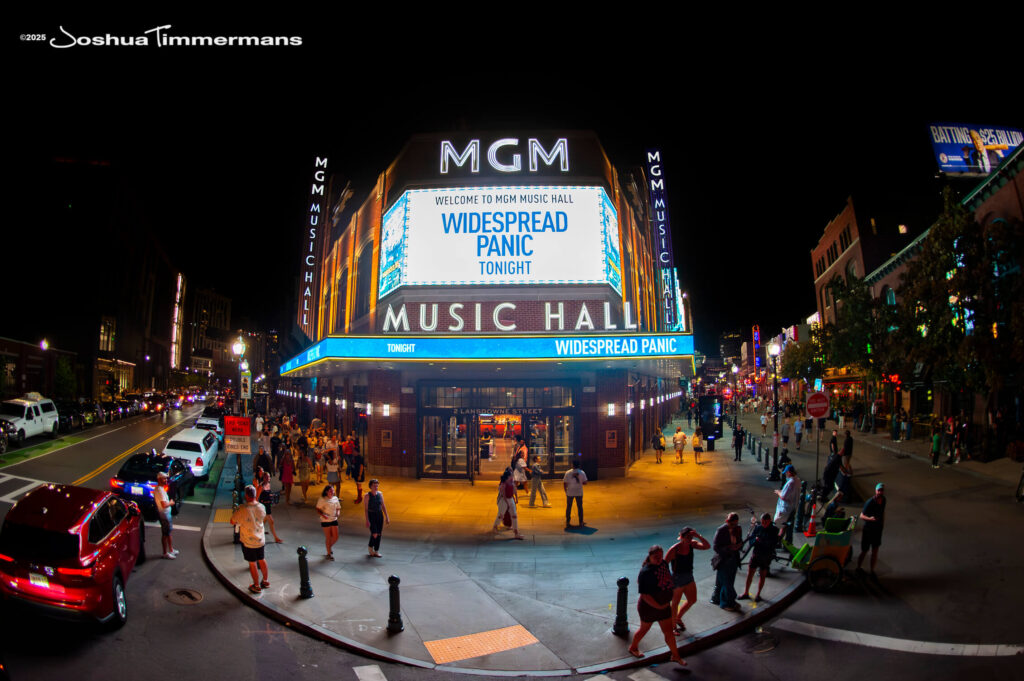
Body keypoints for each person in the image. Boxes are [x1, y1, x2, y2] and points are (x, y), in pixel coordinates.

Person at [627, 545, 686, 666]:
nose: (659, 559)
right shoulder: (646, 572)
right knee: (644, 629)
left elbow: (668, 578)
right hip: (649, 608)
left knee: (669, 632)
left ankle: (676, 655)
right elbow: (645, 596)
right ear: (650, 557)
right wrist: (659, 606)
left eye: (660, 556)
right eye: (655, 557)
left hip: (663, 606)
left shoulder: (663, 564)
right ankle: (633, 647)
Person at [665, 527, 710, 633]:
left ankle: (678, 618)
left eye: (691, 537)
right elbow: (664, 564)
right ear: (682, 537)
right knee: (675, 603)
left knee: (692, 600)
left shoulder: (692, 544)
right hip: (678, 578)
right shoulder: (674, 549)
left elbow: (707, 546)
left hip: (689, 576)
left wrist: (698, 536)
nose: (689, 539)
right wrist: (668, 579)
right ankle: (673, 627)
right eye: (687, 537)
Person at [230, 485, 269, 594]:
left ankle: (256, 586)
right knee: (262, 559)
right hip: (260, 539)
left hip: (248, 541)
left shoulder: (242, 508)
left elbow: (232, 521)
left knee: (252, 563)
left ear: (246, 495)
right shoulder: (262, 507)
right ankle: (265, 581)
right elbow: (263, 517)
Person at [739, 514, 778, 602]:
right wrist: (755, 541)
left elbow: (772, 544)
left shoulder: (774, 530)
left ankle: (758, 594)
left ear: (769, 521)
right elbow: (751, 540)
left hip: (766, 556)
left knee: (762, 575)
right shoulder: (758, 528)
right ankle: (746, 592)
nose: (764, 524)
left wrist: (760, 541)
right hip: (756, 554)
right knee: (750, 574)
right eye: (762, 522)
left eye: (766, 522)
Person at [710, 513, 743, 612]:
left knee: (726, 581)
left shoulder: (738, 529)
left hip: (733, 558)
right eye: (732, 524)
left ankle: (719, 599)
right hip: (724, 559)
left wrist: (738, 546)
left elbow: (740, 540)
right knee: (727, 582)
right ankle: (726, 602)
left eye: (735, 524)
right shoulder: (721, 530)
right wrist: (728, 548)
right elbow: (716, 547)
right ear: (727, 521)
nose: (734, 526)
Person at [857, 483, 886, 577]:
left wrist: (882, 524)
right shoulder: (870, 502)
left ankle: (872, 570)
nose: (880, 492)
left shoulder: (884, 500)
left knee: (875, 551)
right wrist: (870, 519)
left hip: (877, 530)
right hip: (868, 530)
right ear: (875, 491)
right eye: (879, 490)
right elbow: (861, 516)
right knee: (864, 550)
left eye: (881, 490)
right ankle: (858, 568)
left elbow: (883, 512)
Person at [492, 469, 524, 539]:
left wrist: (516, 498)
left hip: (510, 499)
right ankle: (495, 527)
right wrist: (508, 504)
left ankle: (516, 533)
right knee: (501, 515)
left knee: (514, 515)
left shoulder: (512, 483)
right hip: (503, 500)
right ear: (507, 477)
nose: (512, 477)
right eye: (510, 476)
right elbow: (504, 495)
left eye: (512, 475)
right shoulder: (502, 485)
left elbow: (514, 490)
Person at [255, 468, 283, 543]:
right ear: (264, 478)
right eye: (266, 477)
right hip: (263, 506)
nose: (268, 478)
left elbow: (268, 494)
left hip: (268, 505)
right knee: (271, 521)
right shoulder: (261, 486)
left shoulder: (268, 485)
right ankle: (276, 538)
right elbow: (257, 497)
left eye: (269, 477)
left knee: (264, 520)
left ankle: (259, 532)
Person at [154, 471, 178, 559]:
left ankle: (171, 550)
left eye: (166, 478)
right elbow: (164, 505)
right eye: (164, 478)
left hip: (165, 514)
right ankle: (165, 553)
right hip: (164, 515)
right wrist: (171, 503)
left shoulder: (159, 489)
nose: (166, 480)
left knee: (168, 533)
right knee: (165, 534)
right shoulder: (160, 491)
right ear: (159, 479)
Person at [773, 465, 801, 542]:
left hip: (786, 509)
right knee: (786, 526)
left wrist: (778, 492)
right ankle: (785, 541)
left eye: (786, 473)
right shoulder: (797, 480)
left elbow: (783, 496)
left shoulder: (790, 483)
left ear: (789, 472)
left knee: (778, 524)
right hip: (793, 508)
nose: (785, 474)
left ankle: (777, 541)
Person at [363, 478, 390, 556]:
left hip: (379, 515)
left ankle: (376, 550)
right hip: (371, 515)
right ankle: (370, 547)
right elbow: (366, 509)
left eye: (377, 485)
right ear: (370, 486)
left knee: (378, 534)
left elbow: (383, 506)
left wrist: (387, 517)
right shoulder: (367, 496)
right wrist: (367, 520)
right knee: (374, 533)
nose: (376, 487)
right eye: (374, 486)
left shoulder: (380, 494)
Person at [316, 484, 341, 559]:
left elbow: (338, 508)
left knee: (335, 537)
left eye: (333, 490)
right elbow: (318, 509)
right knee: (328, 537)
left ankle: (329, 548)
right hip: (325, 520)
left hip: (334, 519)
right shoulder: (322, 499)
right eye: (330, 490)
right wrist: (323, 515)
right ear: (326, 492)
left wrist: (338, 513)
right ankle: (329, 553)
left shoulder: (335, 498)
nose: (332, 492)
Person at [563, 457, 587, 528]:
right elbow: (585, 482)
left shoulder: (568, 472)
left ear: (572, 464)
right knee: (580, 507)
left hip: (570, 492)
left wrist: (565, 490)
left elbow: (565, 483)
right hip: (579, 492)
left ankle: (568, 522)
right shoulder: (582, 472)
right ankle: (581, 522)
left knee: (569, 507)